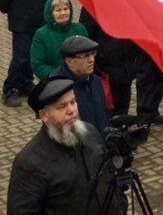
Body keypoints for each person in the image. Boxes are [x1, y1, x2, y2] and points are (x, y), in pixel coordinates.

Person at [7, 77, 118, 213]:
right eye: (62, 106)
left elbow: (110, 178)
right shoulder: (29, 162)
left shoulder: (90, 132)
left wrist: (119, 206)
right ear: (44, 115)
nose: (71, 110)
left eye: (73, 102)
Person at [79, 9, 163, 129]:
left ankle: (120, 134)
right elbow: (86, 34)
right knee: (107, 107)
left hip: (126, 64)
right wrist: (98, 58)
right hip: (105, 66)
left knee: (123, 104)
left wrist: (135, 55)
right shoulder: (93, 3)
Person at [50, 35, 109, 134]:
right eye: (85, 55)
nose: (91, 60)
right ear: (69, 61)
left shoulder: (96, 81)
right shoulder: (57, 87)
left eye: (92, 54)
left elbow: (104, 114)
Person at [30, 0, 88, 81]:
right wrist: (60, 75)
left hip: (80, 81)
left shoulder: (80, 29)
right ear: (50, 13)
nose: (63, 13)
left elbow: (88, 55)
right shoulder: (41, 34)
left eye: (66, 9)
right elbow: (38, 65)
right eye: (58, 10)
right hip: (54, 83)